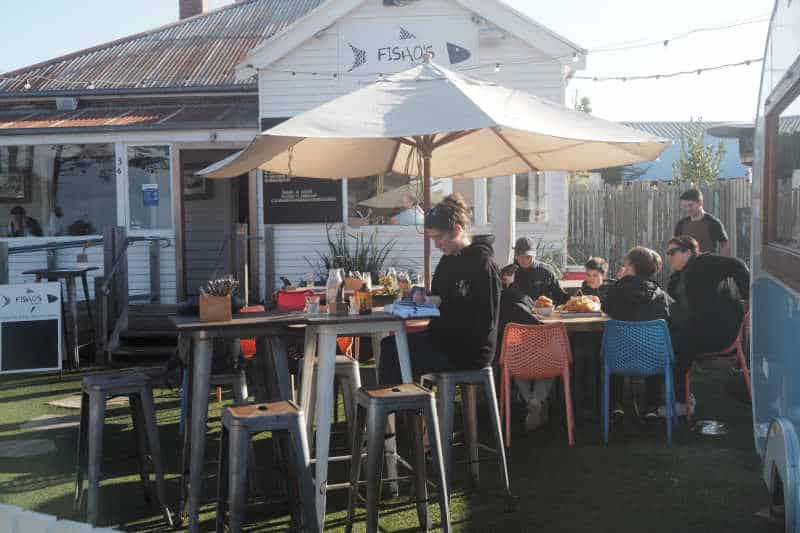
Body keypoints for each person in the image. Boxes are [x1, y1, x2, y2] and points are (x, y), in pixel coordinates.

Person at [379, 193, 502, 385]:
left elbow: (487, 320)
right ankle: (402, 410)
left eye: (439, 237)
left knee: (394, 353)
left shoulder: (482, 263)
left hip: (469, 350)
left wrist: (444, 308)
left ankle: (401, 409)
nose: (436, 244)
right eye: (432, 238)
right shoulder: (447, 261)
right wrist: (421, 298)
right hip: (443, 339)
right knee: (389, 346)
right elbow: (436, 298)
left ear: (457, 229)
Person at [665, 235, 750, 416]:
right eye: (667, 253)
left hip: (719, 330)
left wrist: (747, 297)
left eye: (672, 252)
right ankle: (678, 397)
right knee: (668, 338)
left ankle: (681, 402)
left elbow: (738, 266)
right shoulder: (677, 277)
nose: (669, 257)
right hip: (699, 329)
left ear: (688, 252)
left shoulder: (706, 262)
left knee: (677, 344)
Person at [602, 246, 671, 418]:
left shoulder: (617, 289)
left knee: (612, 344)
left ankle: (615, 404)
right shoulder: (659, 294)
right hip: (652, 359)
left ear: (631, 266)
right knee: (654, 345)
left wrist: (620, 282)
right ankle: (652, 407)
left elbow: (606, 307)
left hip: (619, 358)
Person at [496, 264, 551, 429]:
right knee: (553, 361)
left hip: (513, 358)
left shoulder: (494, 300)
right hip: (541, 357)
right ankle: (537, 400)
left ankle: (528, 400)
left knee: (515, 363)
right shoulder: (523, 298)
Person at [512, 236, 568, 305]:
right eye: (521, 256)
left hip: (543, 312)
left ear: (535, 255)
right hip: (518, 312)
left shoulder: (546, 270)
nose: (524, 260)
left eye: (528, 257)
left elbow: (560, 295)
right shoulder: (510, 273)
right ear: (516, 256)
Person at [674, 188, 730, 255]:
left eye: (690, 205)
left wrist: (721, 263)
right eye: (685, 206)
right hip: (687, 264)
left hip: (708, 263)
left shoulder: (713, 222)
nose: (688, 209)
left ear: (700, 202)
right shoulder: (681, 224)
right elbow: (675, 245)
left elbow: (725, 244)